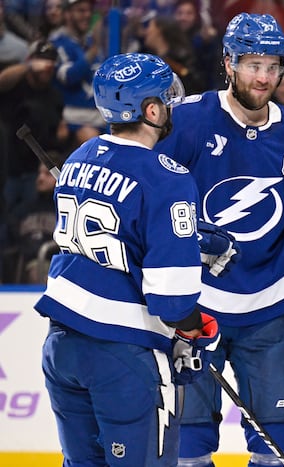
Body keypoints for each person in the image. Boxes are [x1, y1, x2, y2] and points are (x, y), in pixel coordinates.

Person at [154, 12, 284, 467]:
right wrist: (186, 237)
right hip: (194, 309)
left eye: (272, 65)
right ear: (229, 63)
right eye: (252, 64)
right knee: (188, 448)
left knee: (278, 448)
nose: (263, 77)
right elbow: (149, 203)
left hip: (270, 310)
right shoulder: (184, 124)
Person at [34, 52, 220, 466]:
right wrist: (198, 328)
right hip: (122, 353)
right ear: (150, 110)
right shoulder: (167, 176)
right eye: (166, 99)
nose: (171, 106)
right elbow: (172, 303)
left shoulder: (79, 158)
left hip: (61, 345)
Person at [0, 39, 67, 229]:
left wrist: (61, 134)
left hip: (35, 173)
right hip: (8, 171)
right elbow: (2, 81)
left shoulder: (54, 96)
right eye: (42, 61)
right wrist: (29, 65)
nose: (46, 66)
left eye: (51, 62)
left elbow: (58, 130)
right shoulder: (15, 86)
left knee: (26, 225)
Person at [51, 0, 106, 148]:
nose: (87, 15)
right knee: (95, 147)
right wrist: (93, 51)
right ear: (67, 14)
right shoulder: (57, 42)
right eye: (81, 11)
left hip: (102, 116)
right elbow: (69, 77)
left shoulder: (90, 41)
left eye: (89, 11)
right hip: (76, 119)